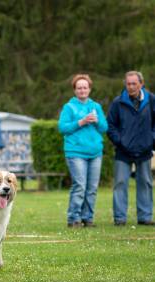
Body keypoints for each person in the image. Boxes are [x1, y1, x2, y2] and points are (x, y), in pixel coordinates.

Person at [58, 74, 108, 228]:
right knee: (80, 185)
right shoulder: (69, 107)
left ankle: (88, 218)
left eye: (85, 87)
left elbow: (104, 128)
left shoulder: (96, 107)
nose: (82, 90)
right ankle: (73, 219)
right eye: (79, 88)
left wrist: (97, 121)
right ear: (74, 90)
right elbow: (62, 128)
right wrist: (81, 121)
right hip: (75, 152)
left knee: (92, 188)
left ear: (89, 89)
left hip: (95, 153)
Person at [107, 71, 155, 226]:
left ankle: (145, 217)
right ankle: (120, 218)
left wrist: (151, 140)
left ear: (141, 84)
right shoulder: (117, 102)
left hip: (145, 150)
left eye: (134, 83)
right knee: (120, 184)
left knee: (146, 183)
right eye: (128, 84)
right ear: (125, 84)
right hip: (123, 151)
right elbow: (111, 126)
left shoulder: (151, 100)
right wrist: (119, 141)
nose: (131, 87)